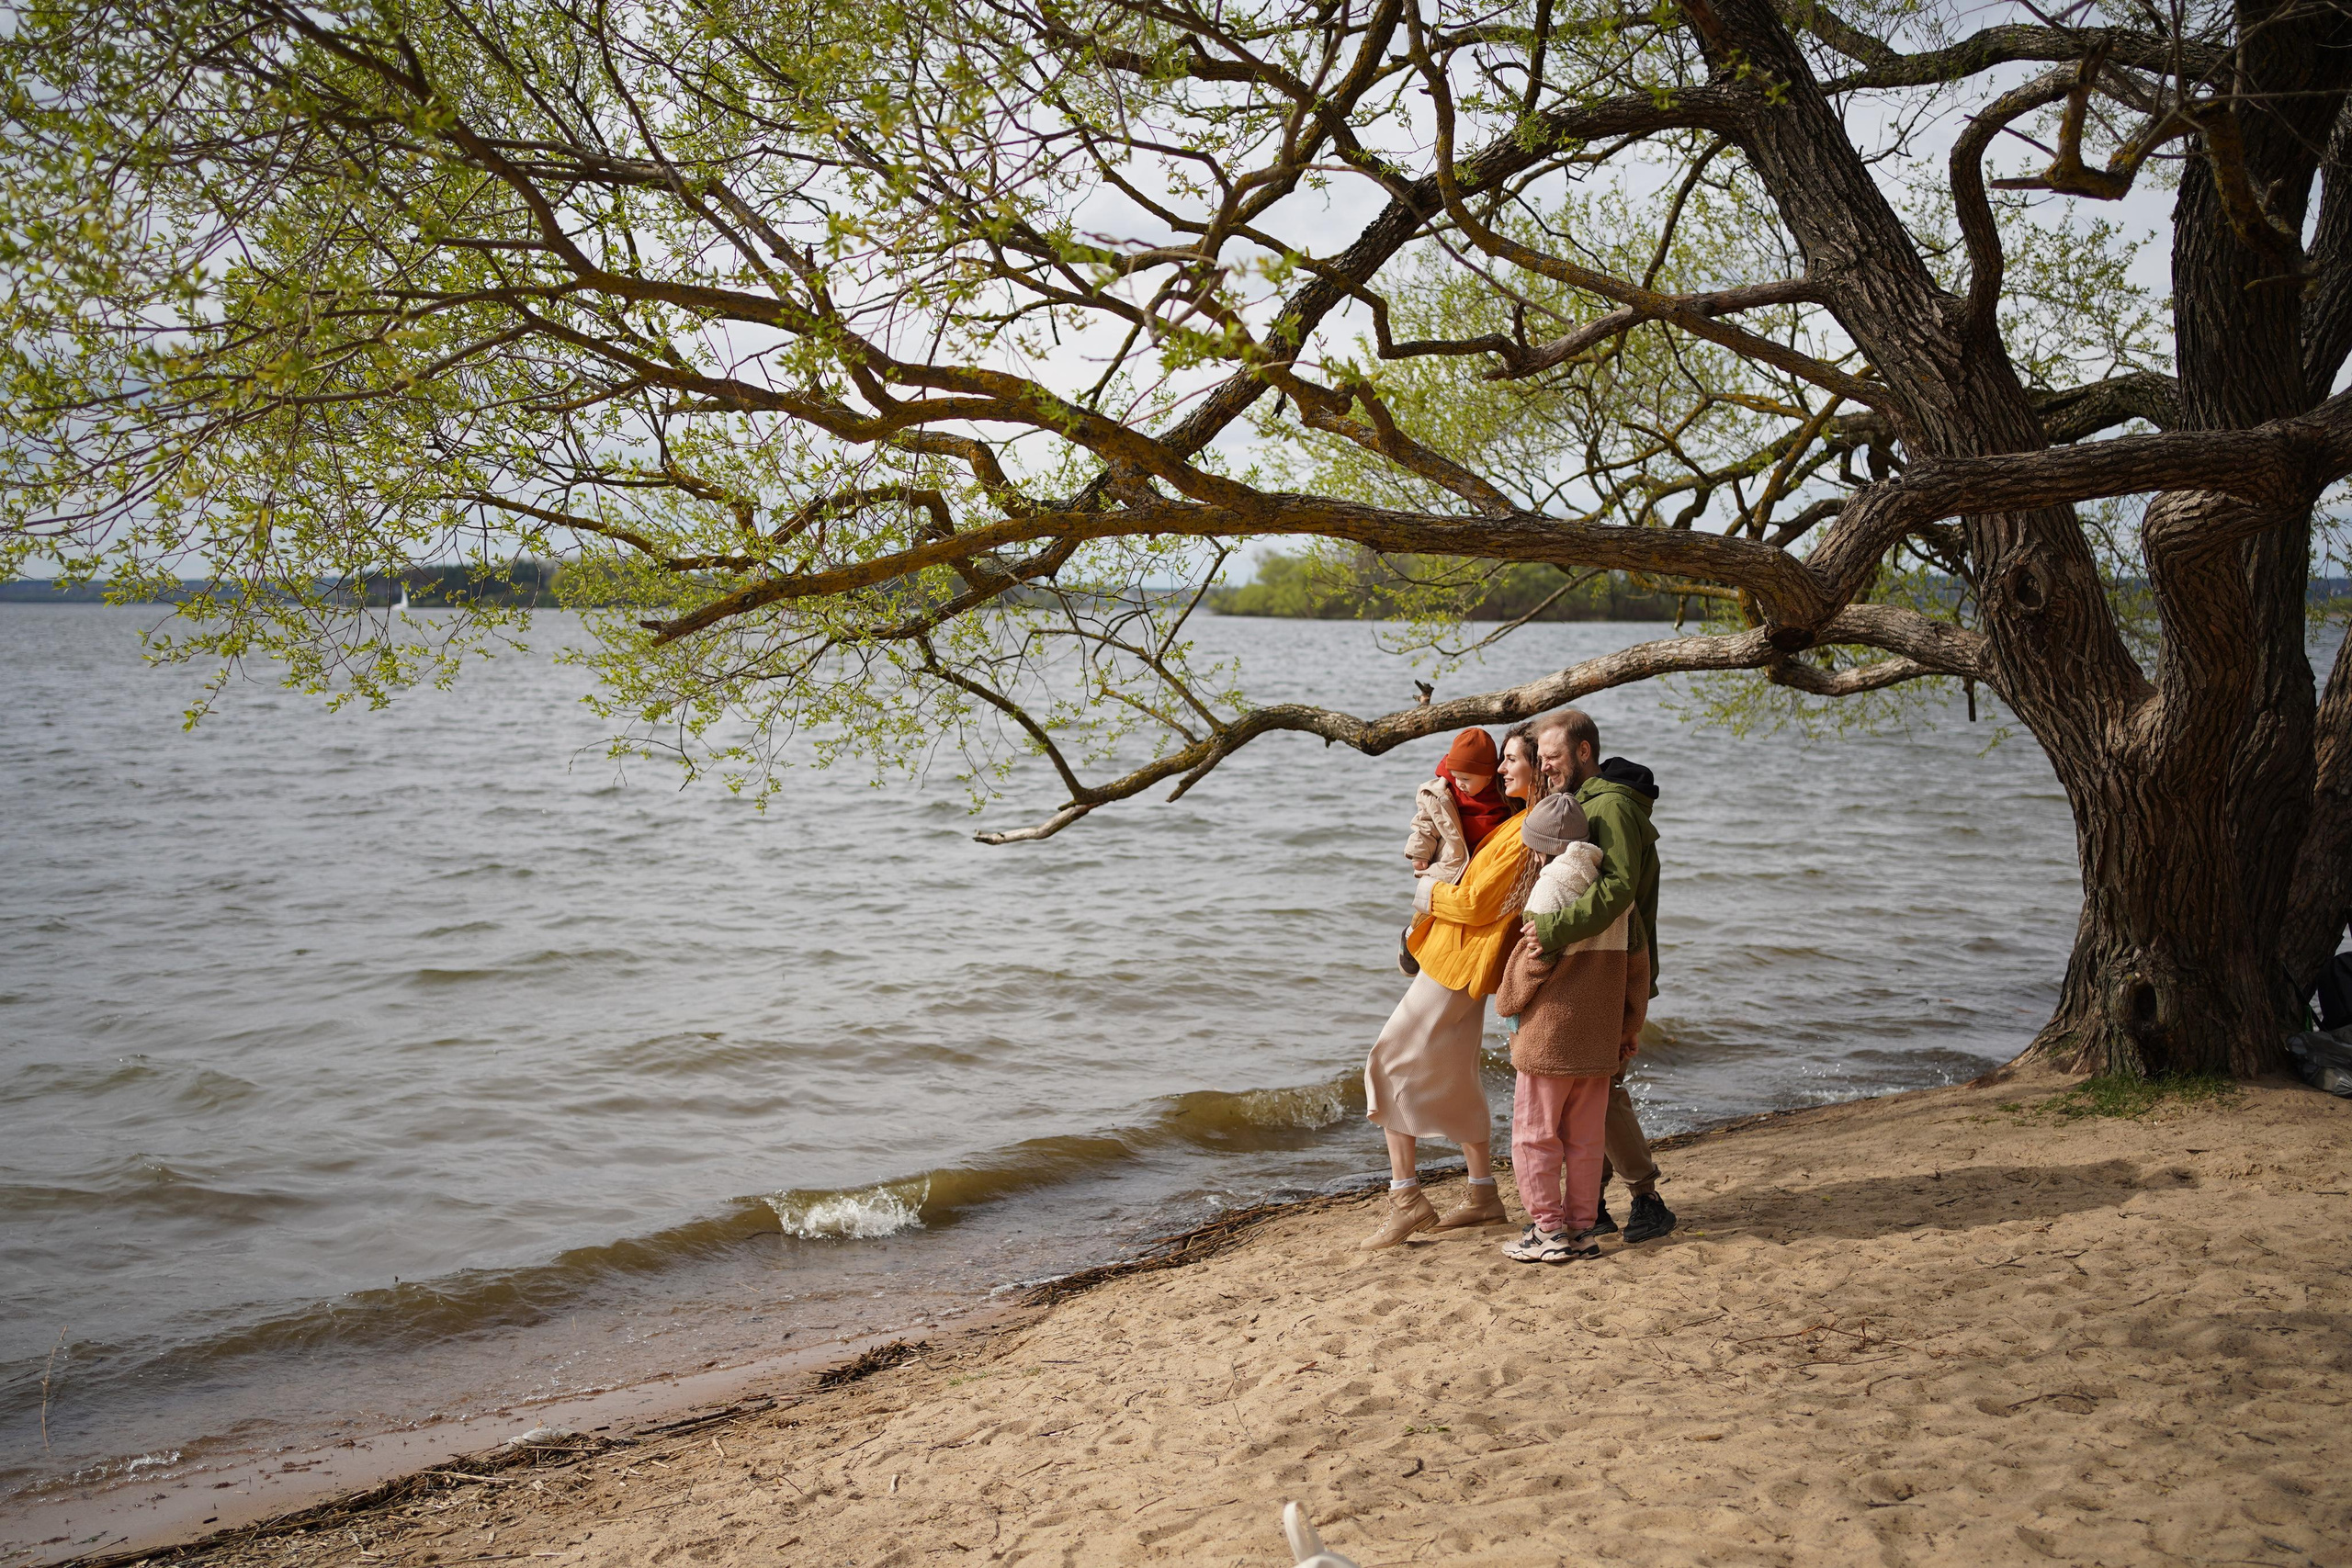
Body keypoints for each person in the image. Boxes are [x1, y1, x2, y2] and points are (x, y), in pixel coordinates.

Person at [1360, 727, 1547, 1249]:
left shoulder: (1527, 825)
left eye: (1512, 762)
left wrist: (1426, 891)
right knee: (1458, 1073)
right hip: (1464, 961)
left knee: (1386, 1062)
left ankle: (1406, 1199)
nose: (1504, 769)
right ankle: (1484, 1194)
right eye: (1503, 761)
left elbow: (1474, 905)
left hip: (1457, 960)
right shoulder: (1520, 820)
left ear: (1537, 768)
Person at [1523, 708, 1677, 1245]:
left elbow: (1617, 893)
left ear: (1583, 752)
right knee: (1593, 1085)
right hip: (1608, 965)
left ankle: (1646, 1199)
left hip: (1616, 966)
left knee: (1600, 1087)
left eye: (1553, 757)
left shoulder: (1609, 806)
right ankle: (1595, 1207)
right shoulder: (1591, 800)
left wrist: (1553, 931)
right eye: (1540, 759)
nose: (1545, 768)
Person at [1493, 793, 1649, 1263]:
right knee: (1585, 1138)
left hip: (1551, 1037)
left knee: (1535, 1133)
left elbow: (1532, 967)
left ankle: (1547, 1229)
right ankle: (1582, 1228)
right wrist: (1629, 1026)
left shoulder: (1548, 890)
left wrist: (1507, 999)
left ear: (1540, 847)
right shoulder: (1613, 892)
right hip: (1598, 1035)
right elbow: (1637, 969)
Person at [1397, 728, 1518, 976]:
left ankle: (1451, 958)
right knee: (1428, 912)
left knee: (1462, 916)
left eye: (1467, 778)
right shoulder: (1442, 792)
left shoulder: (1504, 797)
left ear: (1488, 775)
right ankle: (1409, 937)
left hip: (1481, 866)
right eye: (1456, 776)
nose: (1460, 783)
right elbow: (1424, 824)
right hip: (1449, 861)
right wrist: (1419, 853)